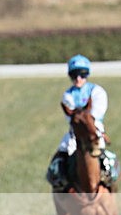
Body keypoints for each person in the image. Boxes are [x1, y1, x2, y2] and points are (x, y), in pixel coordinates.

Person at [46, 54, 112, 191]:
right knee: (63, 148)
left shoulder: (97, 91)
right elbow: (71, 117)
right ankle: (58, 174)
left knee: (100, 147)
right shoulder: (67, 95)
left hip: (94, 126)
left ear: (87, 75)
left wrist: (84, 118)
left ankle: (109, 171)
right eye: (74, 75)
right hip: (75, 129)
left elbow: (96, 113)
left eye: (82, 75)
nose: (78, 79)